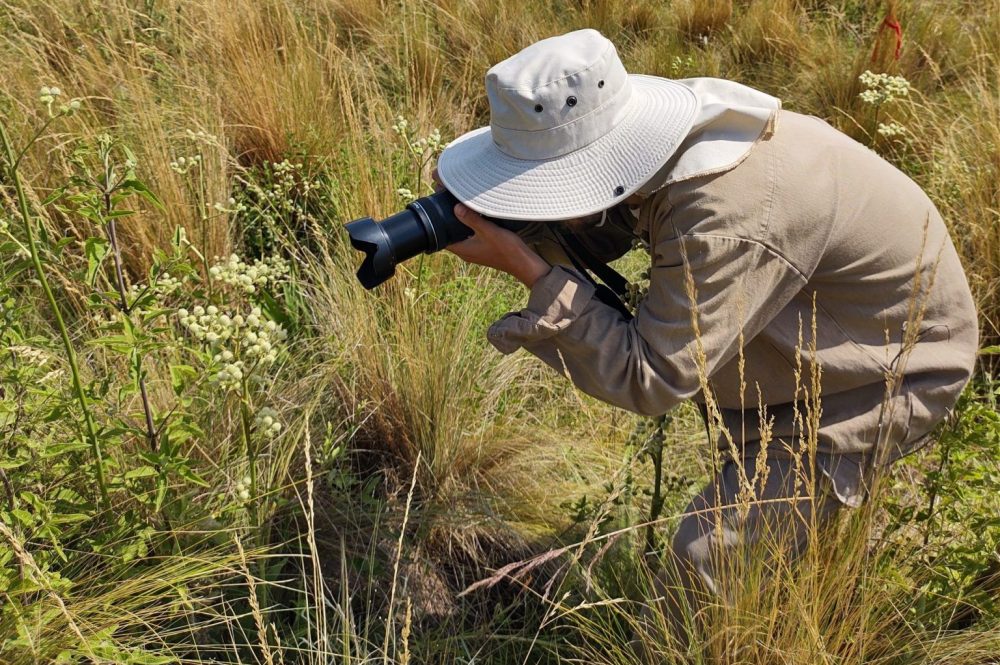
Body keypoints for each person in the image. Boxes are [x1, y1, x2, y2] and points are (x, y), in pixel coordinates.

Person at [433, 28, 979, 636]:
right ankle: (810, 582)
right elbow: (611, 220)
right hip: (815, 338)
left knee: (706, 560)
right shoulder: (675, 147)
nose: (531, 200)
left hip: (884, 373)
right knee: (765, 538)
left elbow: (651, 378)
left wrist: (529, 268)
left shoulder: (722, 217)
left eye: (539, 185)